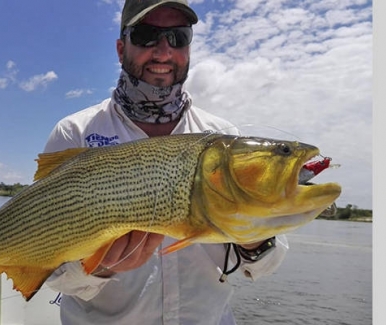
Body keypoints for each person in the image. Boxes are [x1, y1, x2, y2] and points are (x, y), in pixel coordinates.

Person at [43, 1, 289, 324]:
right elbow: (48, 269)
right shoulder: (75, 133)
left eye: (178, 37)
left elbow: (265, 264)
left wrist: (254, 237)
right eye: (146, 35)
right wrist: (97, 267)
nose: (163, 51)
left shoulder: (224, 138)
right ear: (121, 49)